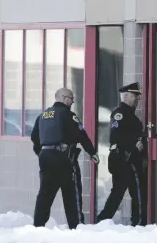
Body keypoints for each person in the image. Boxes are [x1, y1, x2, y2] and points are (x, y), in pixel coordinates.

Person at [30, 88, 100, 229]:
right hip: (64, 158)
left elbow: (34, 138)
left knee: (45, 193)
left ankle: (38, 226)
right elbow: (81, 135)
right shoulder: (68, 114)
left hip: (45, 158)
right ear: (63, 98)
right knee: (71, 193)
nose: (72, 101)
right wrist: (92, 152)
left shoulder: (42, 115)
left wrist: (43, 153)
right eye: (71, 98)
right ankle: (76, 226)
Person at [96, 82, 147, 226]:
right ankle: (139, 222)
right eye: (134, 96)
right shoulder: (120, 113)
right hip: (126, 158)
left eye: (138, 97)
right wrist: (134, 148)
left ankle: (103, 220)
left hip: (124, 157)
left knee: (117, 192)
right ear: (125, 96)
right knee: (137, 191)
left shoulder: (129, 114)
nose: (137, 99)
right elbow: (116, 137)